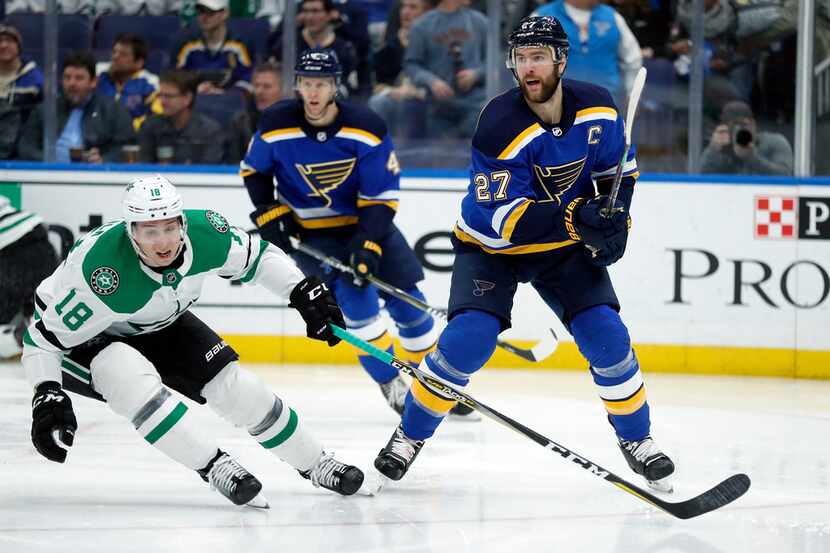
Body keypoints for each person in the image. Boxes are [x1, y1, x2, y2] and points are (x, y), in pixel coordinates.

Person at [372, 16, 676, 492]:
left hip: (562, 249)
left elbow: (619, 172)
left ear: (560, 59)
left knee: (608, 338)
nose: (527, 67)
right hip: (492, 247)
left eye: (537, 56)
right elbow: (503, 216)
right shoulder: (499, 122)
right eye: (520, 58)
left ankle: (638, 440)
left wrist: (616, 218)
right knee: (468, 340)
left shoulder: (598, 107)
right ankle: (408, 436)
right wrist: (580, 217)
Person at [21, 175, 365, 508]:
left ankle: (317, 463)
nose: (163, 242)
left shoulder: (206, 234)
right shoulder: (102, 276)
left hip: (157, 320)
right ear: (131, 231)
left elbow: (257, 258)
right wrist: (46, 393)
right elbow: (41, 341)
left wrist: (301, 289)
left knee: (237, 388)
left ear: (183, 223)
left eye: (170, 228)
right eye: (150, 231)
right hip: (87, 338)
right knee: (128, 376)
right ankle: (215, 467)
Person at [241, 49, 475, 419]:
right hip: (312, 236)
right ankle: (392, 384)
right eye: (306, 83)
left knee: (409, 304)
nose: (313, 93)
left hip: (368, 227)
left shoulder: (365, 127)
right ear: (297, 85)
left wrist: (367, 243)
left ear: (335, 86)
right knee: (360, 313)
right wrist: (269, 210)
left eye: (321, 84)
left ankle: (433, 384)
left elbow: (381, 195)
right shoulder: (275, 123)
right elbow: (254, 171)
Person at [18, 51, 135, 163]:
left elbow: (126, 148)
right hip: (49, 175)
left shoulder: (113, 110)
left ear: (93, 81)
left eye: (79, 78)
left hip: (95, 177)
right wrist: (48, 160)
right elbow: (26, 147)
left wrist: (104, 160)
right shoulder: (45, 110)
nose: (71, 83)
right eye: (67, 77)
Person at [402, 0, 489, 139]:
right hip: (439, 109)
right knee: (439, 156)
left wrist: (477, 74)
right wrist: (431, 81)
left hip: (476, 107)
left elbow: (496, 60)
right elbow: (411, 65)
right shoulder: (422, 25)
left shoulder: (480, 22)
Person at [534, 0, 642, 104]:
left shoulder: (612, 17)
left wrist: (632, 95)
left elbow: (632, 59)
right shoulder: (542, 17)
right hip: (555, 110)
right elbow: (520, 58)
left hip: (605, 108)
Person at [0, 196, 57, 359]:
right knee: (41, 306)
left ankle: (22, 336)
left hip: (12, 248)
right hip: (39, 240)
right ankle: (37, 327)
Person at [268, 0, 360, 98]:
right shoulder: (289, 44)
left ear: (330, 14)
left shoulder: (342, 48)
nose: (310, 17)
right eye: (306, 11)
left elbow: (348, 85)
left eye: (315, 11)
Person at [368, 0, 431, 138]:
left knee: (409, 107)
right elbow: (376, 86)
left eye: (413, 7)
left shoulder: (435, 45)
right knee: (378, 102)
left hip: (428, 100)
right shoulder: (389, 48)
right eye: (403, 7)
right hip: (395, 97)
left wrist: (416, 92)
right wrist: (395, 91)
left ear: (427, 13)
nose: (405, 12)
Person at [137, 70, 224, 164]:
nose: (162, 102)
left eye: (168, 96)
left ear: (187, 98)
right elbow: (143, 167)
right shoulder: (150, 126)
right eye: (160, 95)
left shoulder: (210, 131)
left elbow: (210, 173)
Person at [171, 0, 255, 95]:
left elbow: (248, 77)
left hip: (230, 102)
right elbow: (175, 75)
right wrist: (193, 88)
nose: (204, 17)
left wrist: (228, 93)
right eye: (201, 11)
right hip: (193, 100)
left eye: (210, 12)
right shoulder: (185, 42)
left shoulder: (240, 43)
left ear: (225, 13)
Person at [700, 100, 793, 176]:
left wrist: (752, 158)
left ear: (753, 124)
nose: (738, 130)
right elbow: (697, 181)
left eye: (743, 124)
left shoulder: (774, 142)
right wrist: (712, 150)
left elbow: (786, 176)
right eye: (733, 126)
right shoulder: (721, 147)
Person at [95, 33, 160, 130]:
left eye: (123, 54)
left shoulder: (150, 83)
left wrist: (128, 127)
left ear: (139, 63)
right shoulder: (98, 72)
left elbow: (156, 117)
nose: (115, 57)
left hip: (130, 136)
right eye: (114, 52)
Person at [0, 24, 43, 160]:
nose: (3, 45)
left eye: (9, 41)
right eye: (0, 41)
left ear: (19, 46)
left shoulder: (34, 78)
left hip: (23, 150)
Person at [227, 62, 283, 164]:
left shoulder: (298, 122)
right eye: (256, 86)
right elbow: (233, 162)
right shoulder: (240, 121)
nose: (259, 91)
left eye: (267, 87)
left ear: (284, 90)